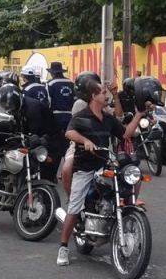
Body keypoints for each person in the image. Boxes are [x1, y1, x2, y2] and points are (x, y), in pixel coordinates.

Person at [56, 77, 150, 267]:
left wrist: (139, 115)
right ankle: (63, 247)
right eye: (102, 92)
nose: (105, 94)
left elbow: (124, 133)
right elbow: (69, 133)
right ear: (94, 96)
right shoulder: (81, 115)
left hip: (104, 164)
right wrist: (85, 141)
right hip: (85, 167)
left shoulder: (107, 118)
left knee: (131, 178)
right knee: (74, 207)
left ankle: (124, 215)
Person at [0, 84, 61, 182]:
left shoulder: (32, 109)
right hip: (39, 137)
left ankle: (44, 194)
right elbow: (20, 131)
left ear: (17, 100)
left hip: (52, 140)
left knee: (44, 176)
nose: (9, 109)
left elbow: (34, 134)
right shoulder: (18, 110)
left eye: (11, 105)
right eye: (5, 106)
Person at [46, 62, 74, 132]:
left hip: (55, 116)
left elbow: (48, 101)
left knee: (56, 139)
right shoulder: (71, 83)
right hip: (70, 116)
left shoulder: (50, 84)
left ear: (52, 73)